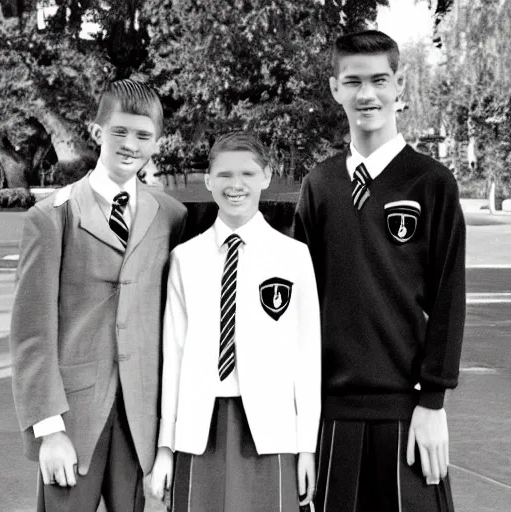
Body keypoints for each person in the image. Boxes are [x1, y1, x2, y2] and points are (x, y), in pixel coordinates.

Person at [293, 30, 466, 512]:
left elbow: (449, 297)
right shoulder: (320, 184)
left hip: (407, 411)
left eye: (378, 80)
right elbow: (302, 306)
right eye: (353, 81)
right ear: (335, 89)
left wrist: (433, 403)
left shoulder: (432, 182)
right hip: (331, 414)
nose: (366, 94)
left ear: (399, 85)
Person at [10, 79, 187, 512]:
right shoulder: (52, 217)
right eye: (119, 131)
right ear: (96, 133)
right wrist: (48, 430)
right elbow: (32, 334)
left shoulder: (171, 216)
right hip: (72, 420)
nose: (131, 144)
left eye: (143, 135)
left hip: (141, 420)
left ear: (157, 142)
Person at [150, 132, 321, 512]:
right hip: (199, 428)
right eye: (224, 175)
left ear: (266, 176)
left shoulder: (293, 257)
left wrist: (306, 446)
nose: (236, 184)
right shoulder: (185, 259)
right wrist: (166, 445)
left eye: (247, 172)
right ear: (208, 180)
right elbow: (173, 357)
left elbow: (307, 357)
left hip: (271, 430)